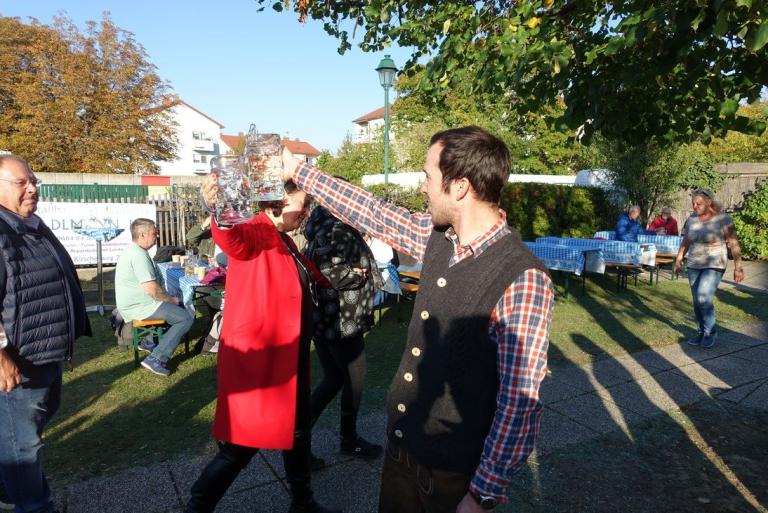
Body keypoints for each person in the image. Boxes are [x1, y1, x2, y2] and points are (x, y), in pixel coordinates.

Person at [281, 126, 554, 513]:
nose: (422, 187)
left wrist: (482, 494)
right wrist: (299, 171)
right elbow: (374, 212)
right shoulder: (438, 236)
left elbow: (519, 401)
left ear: (460, 187)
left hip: (451, 478)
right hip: (402, 453)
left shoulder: (523, 277)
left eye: (428, 176)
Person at [186, 180, 340, 513]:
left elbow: (306, 277)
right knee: (242, 445)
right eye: (303, 204)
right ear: (278, 201)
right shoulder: (255, 230)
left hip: (290, 358)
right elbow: (230, 237)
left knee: (298, 432)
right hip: (261, 362)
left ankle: (303, 502)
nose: (307, 212)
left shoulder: (283, 238)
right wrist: (217, 209)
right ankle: (197, 506)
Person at [0, 155, 91, 513]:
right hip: (17, 363)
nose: (32, 189)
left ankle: (7, 489)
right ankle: (35, 505)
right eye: (21, 183)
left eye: (34, 181)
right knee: (22, 447)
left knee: (33, 424)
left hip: (44, 353)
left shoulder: (31, 226)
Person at [303, 205, 383, 465]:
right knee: (353, 383)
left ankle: (298, 441)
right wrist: (360, 275)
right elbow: (334, 274)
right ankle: (349, 441)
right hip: (342, 321)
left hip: (325, 320)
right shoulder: (336, 229)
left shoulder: (319, 229)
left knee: (333, 380)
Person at [115, 219, 194, 376]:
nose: (157, 235)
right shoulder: (138, 256)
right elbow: (152, 290)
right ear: (142, 235)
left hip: (137, 302)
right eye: (154, 233)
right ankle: (156, 358)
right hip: (141, 306)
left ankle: (149, 341)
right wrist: (173, 300)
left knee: (177, 309)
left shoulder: (134, 250)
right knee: (185, 317)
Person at [674, 189, 744, 348]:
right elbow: (686, 241)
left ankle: (710, 332)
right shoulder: (691, 219)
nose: (694, 206)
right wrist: (678, 260)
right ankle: (700, 331)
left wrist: (738, 267)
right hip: (694, 264)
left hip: (715, 262)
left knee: (703, 296)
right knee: (697, 301)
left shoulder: (723, 219)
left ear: (709, 202)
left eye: (698, 203)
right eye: (693, 203)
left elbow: (733, 243)